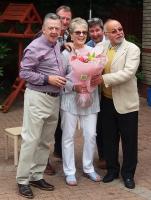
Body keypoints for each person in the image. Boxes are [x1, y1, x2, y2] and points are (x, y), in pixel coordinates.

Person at [16, 13, 66, 199]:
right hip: (38, 97)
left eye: (57, 28)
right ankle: (22, 180)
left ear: (61, 30)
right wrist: (48, 79)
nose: (54, 31)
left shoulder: (57, 45)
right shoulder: (35, 47)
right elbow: (24, 73)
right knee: (31, 140)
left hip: (54, 98)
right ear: (43, 29)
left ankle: (36, 175)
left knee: (45, 141)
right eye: (50, 28)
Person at [99, 19, 140, 189]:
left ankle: (128, 174)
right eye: (114, 31)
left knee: (129, 141)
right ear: (106, 35)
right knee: (109, 139)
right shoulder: (102, 47)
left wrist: (102, 79)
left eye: (120, 29)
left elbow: (128, 73)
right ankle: (112, 170)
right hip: (107, 101)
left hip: (126, 103)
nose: (119, 32)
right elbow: (86, 57)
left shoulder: (132, 49)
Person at [61, 17, 101, 186]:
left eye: (84, 32)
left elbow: (97, 73)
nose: (82, 35)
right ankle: (70, 171)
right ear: (70, 33)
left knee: (91, 135)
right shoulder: (65, 53)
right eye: (78, 32)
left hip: (91, 99)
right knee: (68, 136)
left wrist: (96, 79)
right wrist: (73, 86)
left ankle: (88, 167)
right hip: (70, 100)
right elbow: (60, 79)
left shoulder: (93, 52)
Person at [45, 5, 72, 175]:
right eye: (62, 18)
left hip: (61, 88)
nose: (65, 21)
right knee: (45, 127)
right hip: (46, 89)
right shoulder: (44, 36)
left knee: (58, 124)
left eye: (68, 19)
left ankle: (58, 151)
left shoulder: (68, 35)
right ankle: (44, 161)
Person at [87, 17, 106, 169]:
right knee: (99, 126)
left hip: (109, 90)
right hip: (95, 93)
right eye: (91, 31)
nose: (95, 33)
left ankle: (110, 154)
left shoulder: (110, 44)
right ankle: (103, 156)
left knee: (110, 126)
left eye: (97, 30)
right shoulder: (88, 47)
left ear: (102, 30)